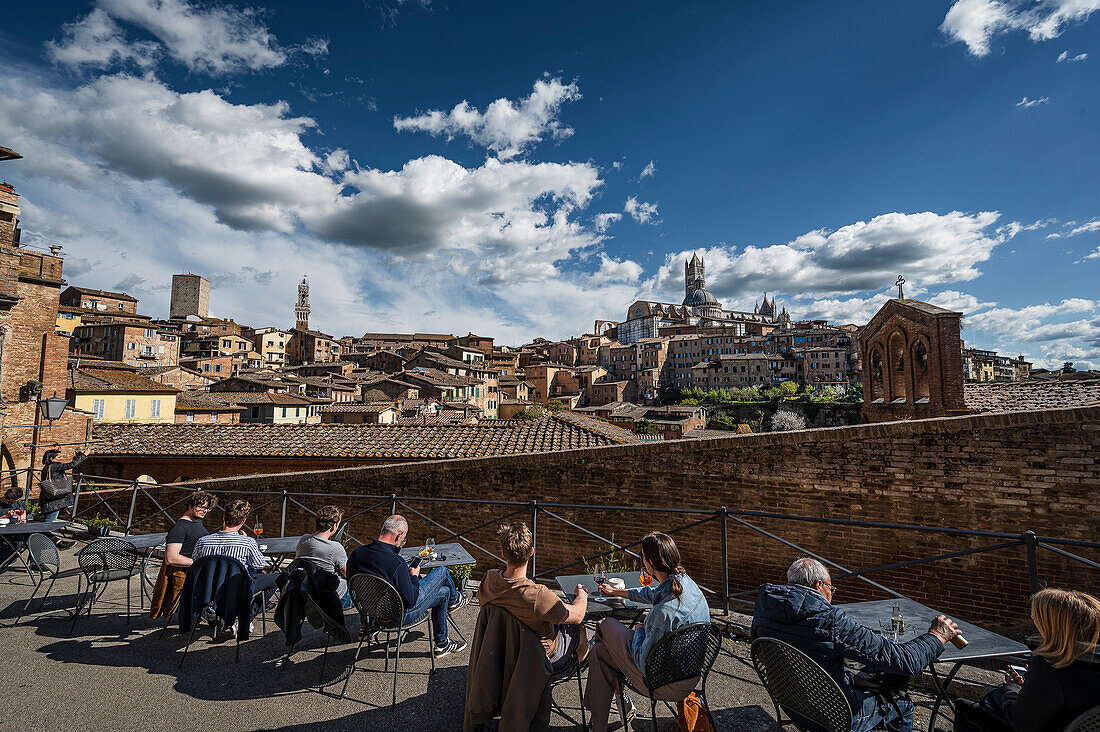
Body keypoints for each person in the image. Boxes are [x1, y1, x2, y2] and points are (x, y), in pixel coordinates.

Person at [752, 557, 962, 732]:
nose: (832, 596)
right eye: (831, 588)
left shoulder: (764, 607)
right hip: (834, 718)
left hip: (793, 704)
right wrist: (937, 636)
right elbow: (904, 660)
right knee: (902, 704)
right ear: (819, 586)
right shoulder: (829, 619)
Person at [583, 532, 711, 732]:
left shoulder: (663, 613)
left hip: (663, 683)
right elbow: (652, 593)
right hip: (690, 675)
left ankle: (612, 704)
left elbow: (643, 663)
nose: (640, 558)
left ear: (650, 562)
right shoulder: (688, 586)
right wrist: (618, 592)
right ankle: (605, 720)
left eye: (641, 555)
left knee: (605, 625)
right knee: (601, 653)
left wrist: (640, 630)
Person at [955, 588, 1100, 732]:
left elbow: (1020, 722)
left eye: (1037, 616)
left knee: (966, 708)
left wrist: (1011, 688)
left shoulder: (1050, 666)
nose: (1032, 618)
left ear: (1052, 626)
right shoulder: (1087, 662)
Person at [347, 514, 469, 657]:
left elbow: (353, 585)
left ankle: (443, 643)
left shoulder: (357, 553)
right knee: (441, 572)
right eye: (404, 538)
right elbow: (411, 600)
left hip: (372, 614)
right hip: (398, 617)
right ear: (399, 536)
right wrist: (414, 576)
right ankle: (455, 603)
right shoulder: (396, 563)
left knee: (444, 593)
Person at [478, 522, 590, 672]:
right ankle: (580, 664)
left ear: (503, 553)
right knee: (578, 628)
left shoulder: (489, 579)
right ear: (531, 552)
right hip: (538, 658)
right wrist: (582, 595)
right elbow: (577, 615)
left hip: (503, 651)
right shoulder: (538, 595)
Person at [191, 499, 278, 612]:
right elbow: (259, 565)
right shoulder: (247, 542)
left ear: (223, 518)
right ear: (243, 522)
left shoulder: (203, 541)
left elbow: (195, 562)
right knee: (276, 579)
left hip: (208, 590)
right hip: (236, 589)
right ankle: (247, 615)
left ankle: (217, 613)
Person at [149, 490, 217, 619]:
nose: (205, 511)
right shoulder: (179, 528)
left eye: (207, 508)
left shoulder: (197, 522)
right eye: (201, 507)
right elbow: (171, 558)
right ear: (190, 506)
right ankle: (213, 615)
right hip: (190, 574)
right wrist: (198, 561)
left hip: (202, 570)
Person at [294, 505, 350, 607]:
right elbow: (349, 575)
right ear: (334, 527)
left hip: (305, 594)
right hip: (329, 597)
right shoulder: (336, 548)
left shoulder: (303, 539)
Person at [37, 448, 90, 522]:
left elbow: (54, 479)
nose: (61, 459)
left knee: (50, 517)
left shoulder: (47, 467)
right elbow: (71, 465)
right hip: (53, 499)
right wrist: (84, 455)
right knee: (50, 520)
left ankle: (46, 532)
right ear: (51, 459)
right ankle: (44, 533)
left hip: (48, 497)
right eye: (59, 457)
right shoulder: (55, 466)